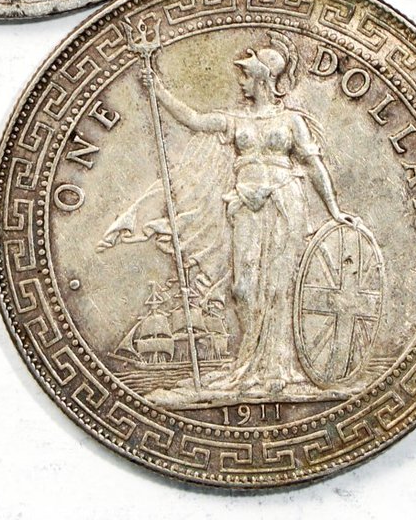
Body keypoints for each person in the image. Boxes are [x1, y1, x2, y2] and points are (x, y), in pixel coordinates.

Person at [143, 33, 357, 398]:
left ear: (263, 78)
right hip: (245, 203)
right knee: (242, 287)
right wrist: (157, 89)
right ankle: (249, 363)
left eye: (246, 74)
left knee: (279, 286)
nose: (241, 81)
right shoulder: (235, 120)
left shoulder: (291, 121)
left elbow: (314, 165)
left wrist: (334, 210)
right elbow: (194, 120)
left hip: (284, 200)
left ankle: (277, 368)